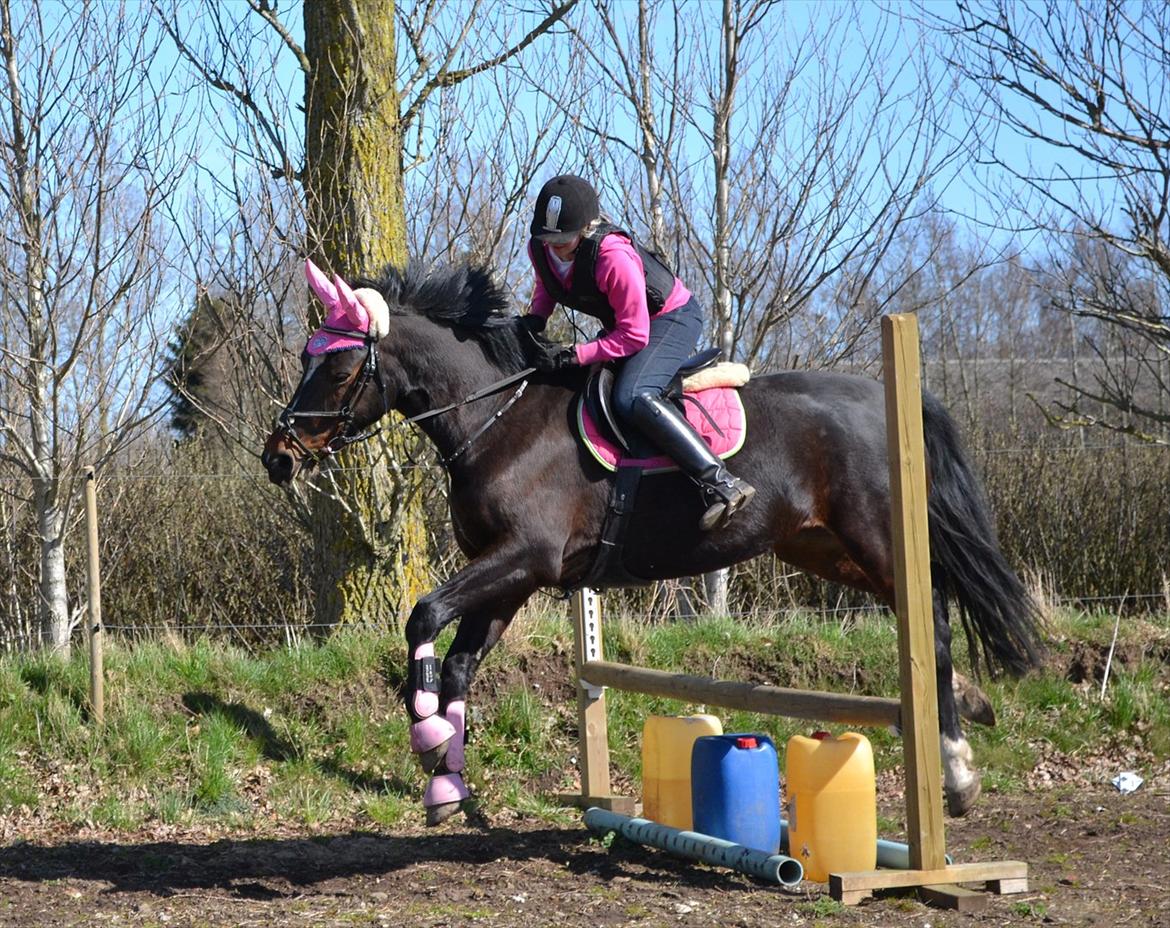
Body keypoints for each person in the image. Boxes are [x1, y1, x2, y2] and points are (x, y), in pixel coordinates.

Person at [521, 174, 754, 531]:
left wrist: (577, 354)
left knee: (633, 395)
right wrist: (533, 322)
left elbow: (633, 335)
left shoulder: (612, 258)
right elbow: (547, 287)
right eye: (548, 238)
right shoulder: (541, 248)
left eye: (563, 240)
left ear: (584, 230)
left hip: (669, 319)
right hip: (626, 323)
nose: (555, 247)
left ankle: (720, 481)